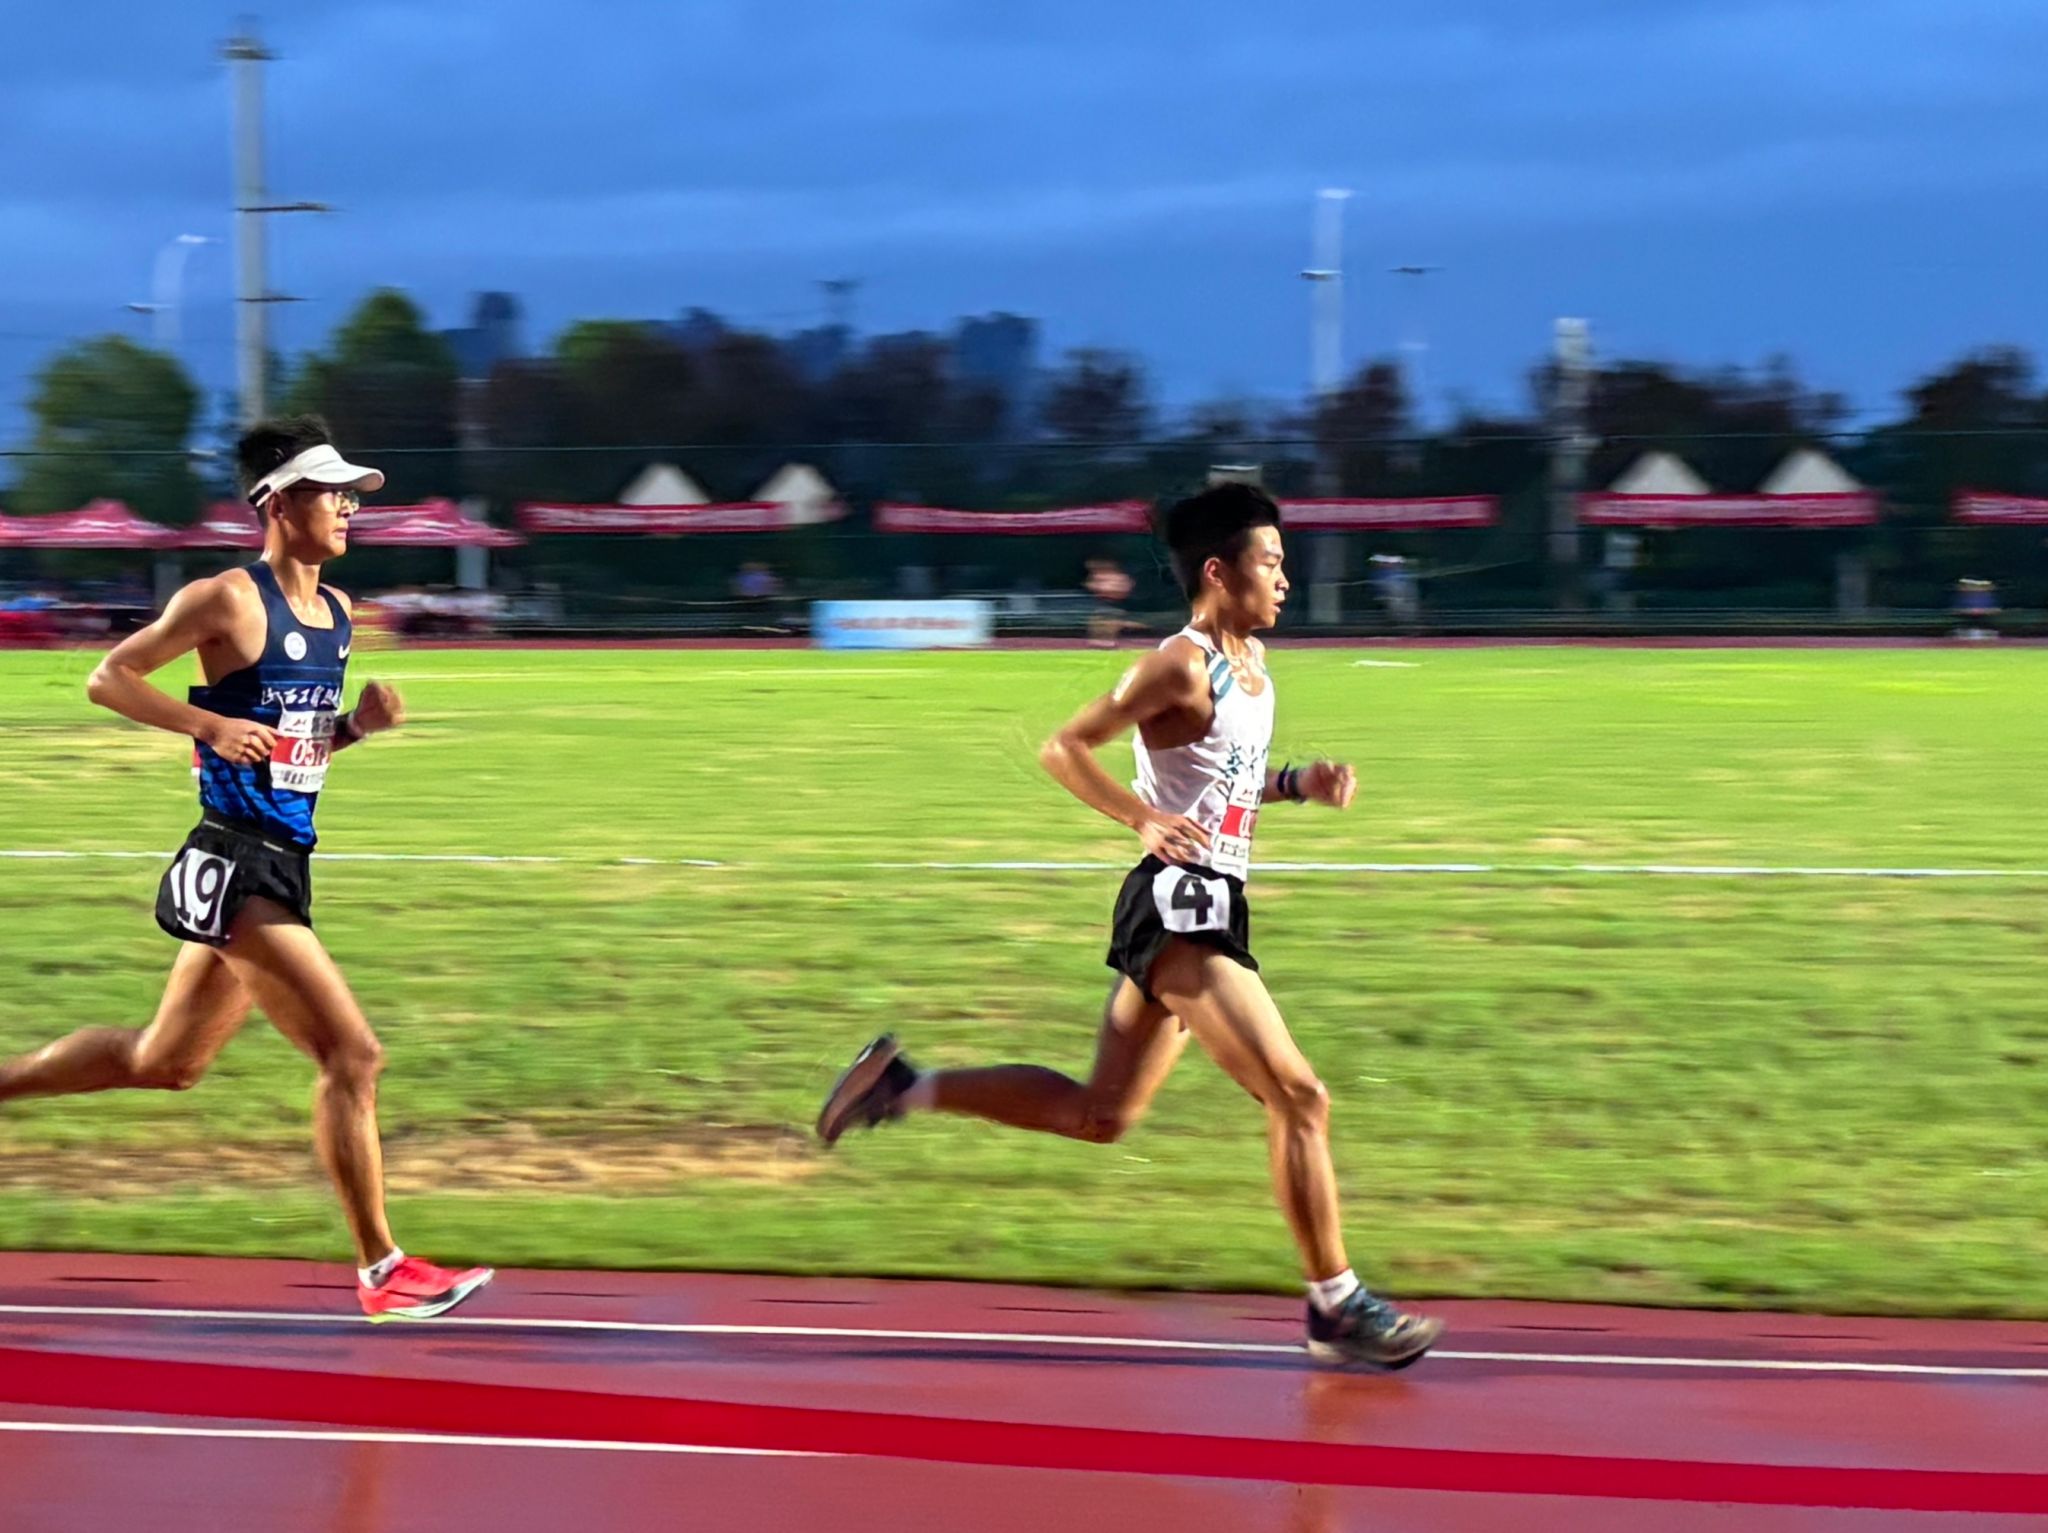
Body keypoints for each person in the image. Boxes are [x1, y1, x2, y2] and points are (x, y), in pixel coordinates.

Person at [817, 484, 1442, 1369]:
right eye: (1270, 562)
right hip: (1180, 905)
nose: (1285, 579)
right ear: (1218, 571)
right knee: (1299, 1096)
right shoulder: (1177, 664)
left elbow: (1223, 785)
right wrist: (1140, 818)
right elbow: (1063, 746)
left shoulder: (1254, 668)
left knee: (1100, 1115)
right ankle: (1335, 1304)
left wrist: (1296, 783)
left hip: (1210, 899)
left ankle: (903, 1086)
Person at [0, 416, 492, 1323]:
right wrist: (208, 725)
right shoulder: (226, 598)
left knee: (163, 1062)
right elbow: (109, 677)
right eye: (330, 490)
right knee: (353, 1054)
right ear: (276, 501)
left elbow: (292, 750)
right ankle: (382, 1269)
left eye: (350, 493)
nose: (347, 506)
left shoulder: (336, 615)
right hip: (235, 859)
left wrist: (353, 729)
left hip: (284, 857)